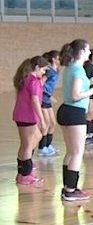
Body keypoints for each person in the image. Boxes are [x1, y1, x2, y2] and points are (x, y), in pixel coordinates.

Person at [58, 39, 93, 202]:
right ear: (82, 52)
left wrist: (90, 83)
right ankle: (71, 190)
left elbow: (75, 89)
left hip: (66, 111)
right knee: (77, 152)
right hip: (74, 112)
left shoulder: (71, 68)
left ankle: (67, 187)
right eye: (88, 49)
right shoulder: (78, 70)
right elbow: (75, 95)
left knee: (71, 151)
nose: (90, 52)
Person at [13, 56, 48, 187]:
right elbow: (35, 101)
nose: (43, 73)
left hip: (20, 115)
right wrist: (42, 119)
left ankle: (22, 170)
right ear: (37, 67)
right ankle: (25, 175)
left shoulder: (26, 79)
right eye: (43, 70)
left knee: (34, 138)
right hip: (27, 117)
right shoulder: (34, 81)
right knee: (27, 145)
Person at [38, 50, 60, 157]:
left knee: (52, 123)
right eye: (59, 58)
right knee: (46, 124)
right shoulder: (49, 71)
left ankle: (48, 145)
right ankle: (42, 148)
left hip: (47, 99)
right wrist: (49, 95)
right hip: (43, 99)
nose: (60, 60)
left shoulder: (57, 70)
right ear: (54, 59)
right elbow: (40, 84)